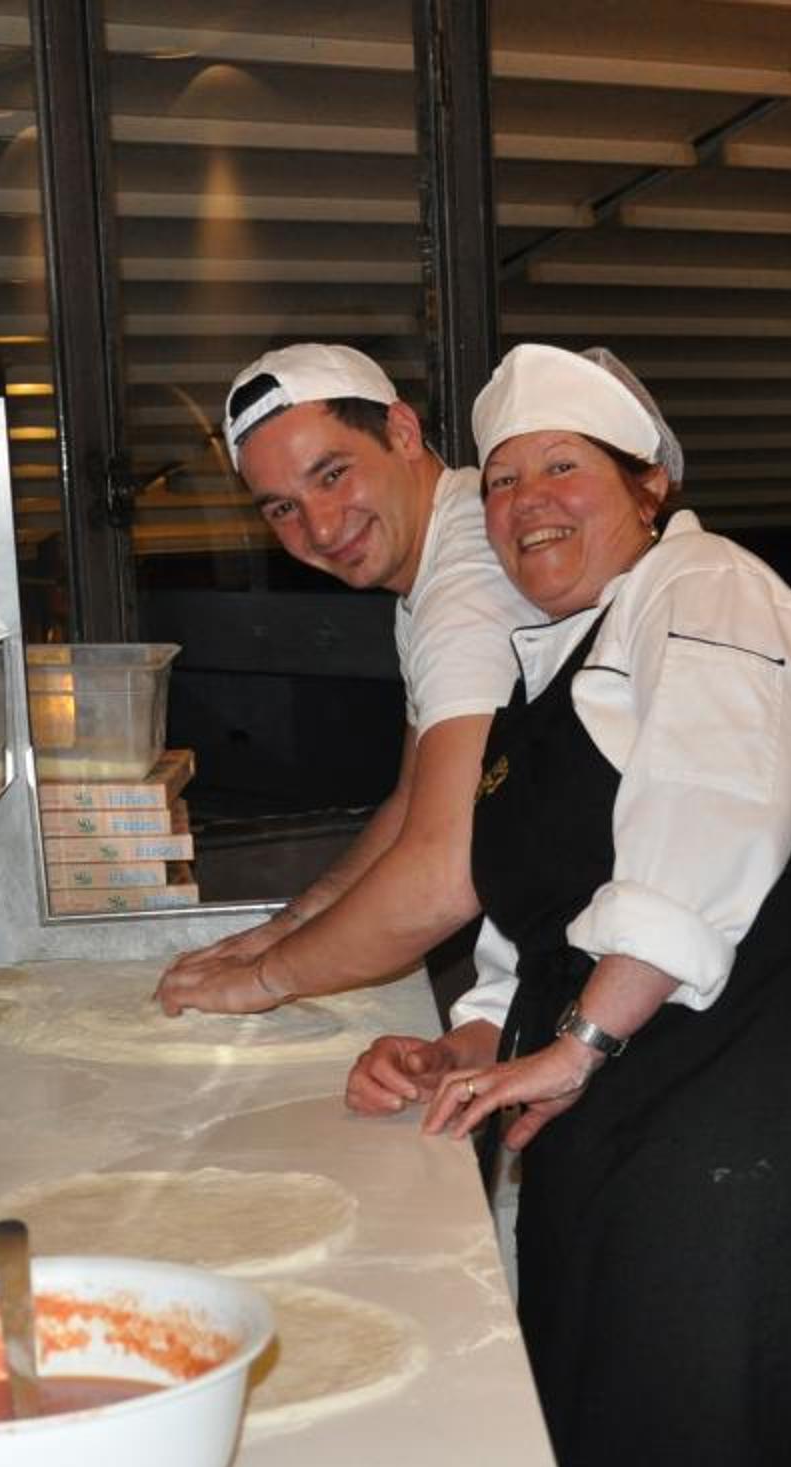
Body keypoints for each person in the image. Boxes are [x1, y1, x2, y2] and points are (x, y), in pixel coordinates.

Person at [343, 344, 791, 1467]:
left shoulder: (708, 588)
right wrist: (463, 1044)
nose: (526, 502)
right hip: (636, 1083)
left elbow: (709, 810)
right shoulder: (546, 676)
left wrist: (577, 1043)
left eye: (561, 468)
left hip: (775, 1075)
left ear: (649, 485)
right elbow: (547, 923)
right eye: (503, 481)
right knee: (602, 1451)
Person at [153, 345, 529, 1014]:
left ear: (402, 432)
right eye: (282, 509)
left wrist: (263, 980)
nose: (321, 530)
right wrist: (287, 927)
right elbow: (413, 799)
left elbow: (446, 871)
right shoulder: (431, 562)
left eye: (332, 474)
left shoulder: (468, 584)